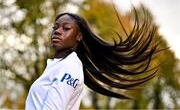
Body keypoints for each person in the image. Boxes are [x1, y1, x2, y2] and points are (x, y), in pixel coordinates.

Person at [25, 8, 160, 110]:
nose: (57, 31)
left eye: (66, 28)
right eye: (55, 27)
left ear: (78, 36)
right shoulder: (57, 65)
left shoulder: (70, 67)